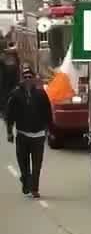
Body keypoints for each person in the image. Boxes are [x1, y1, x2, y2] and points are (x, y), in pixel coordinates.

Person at [5, 65, 51, 198]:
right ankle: (26, 180)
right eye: (25, 77)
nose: (28, 79)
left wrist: (48, 129)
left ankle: (35, 188)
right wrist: (9, 131)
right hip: (22, 134)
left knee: (37, 165)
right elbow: (10, 114)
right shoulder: (15, 94)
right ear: (22, 79)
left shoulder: (41, 94)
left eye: (30, 77)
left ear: (34, 79)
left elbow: (47, 112)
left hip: (38, 135)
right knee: (23, 164)